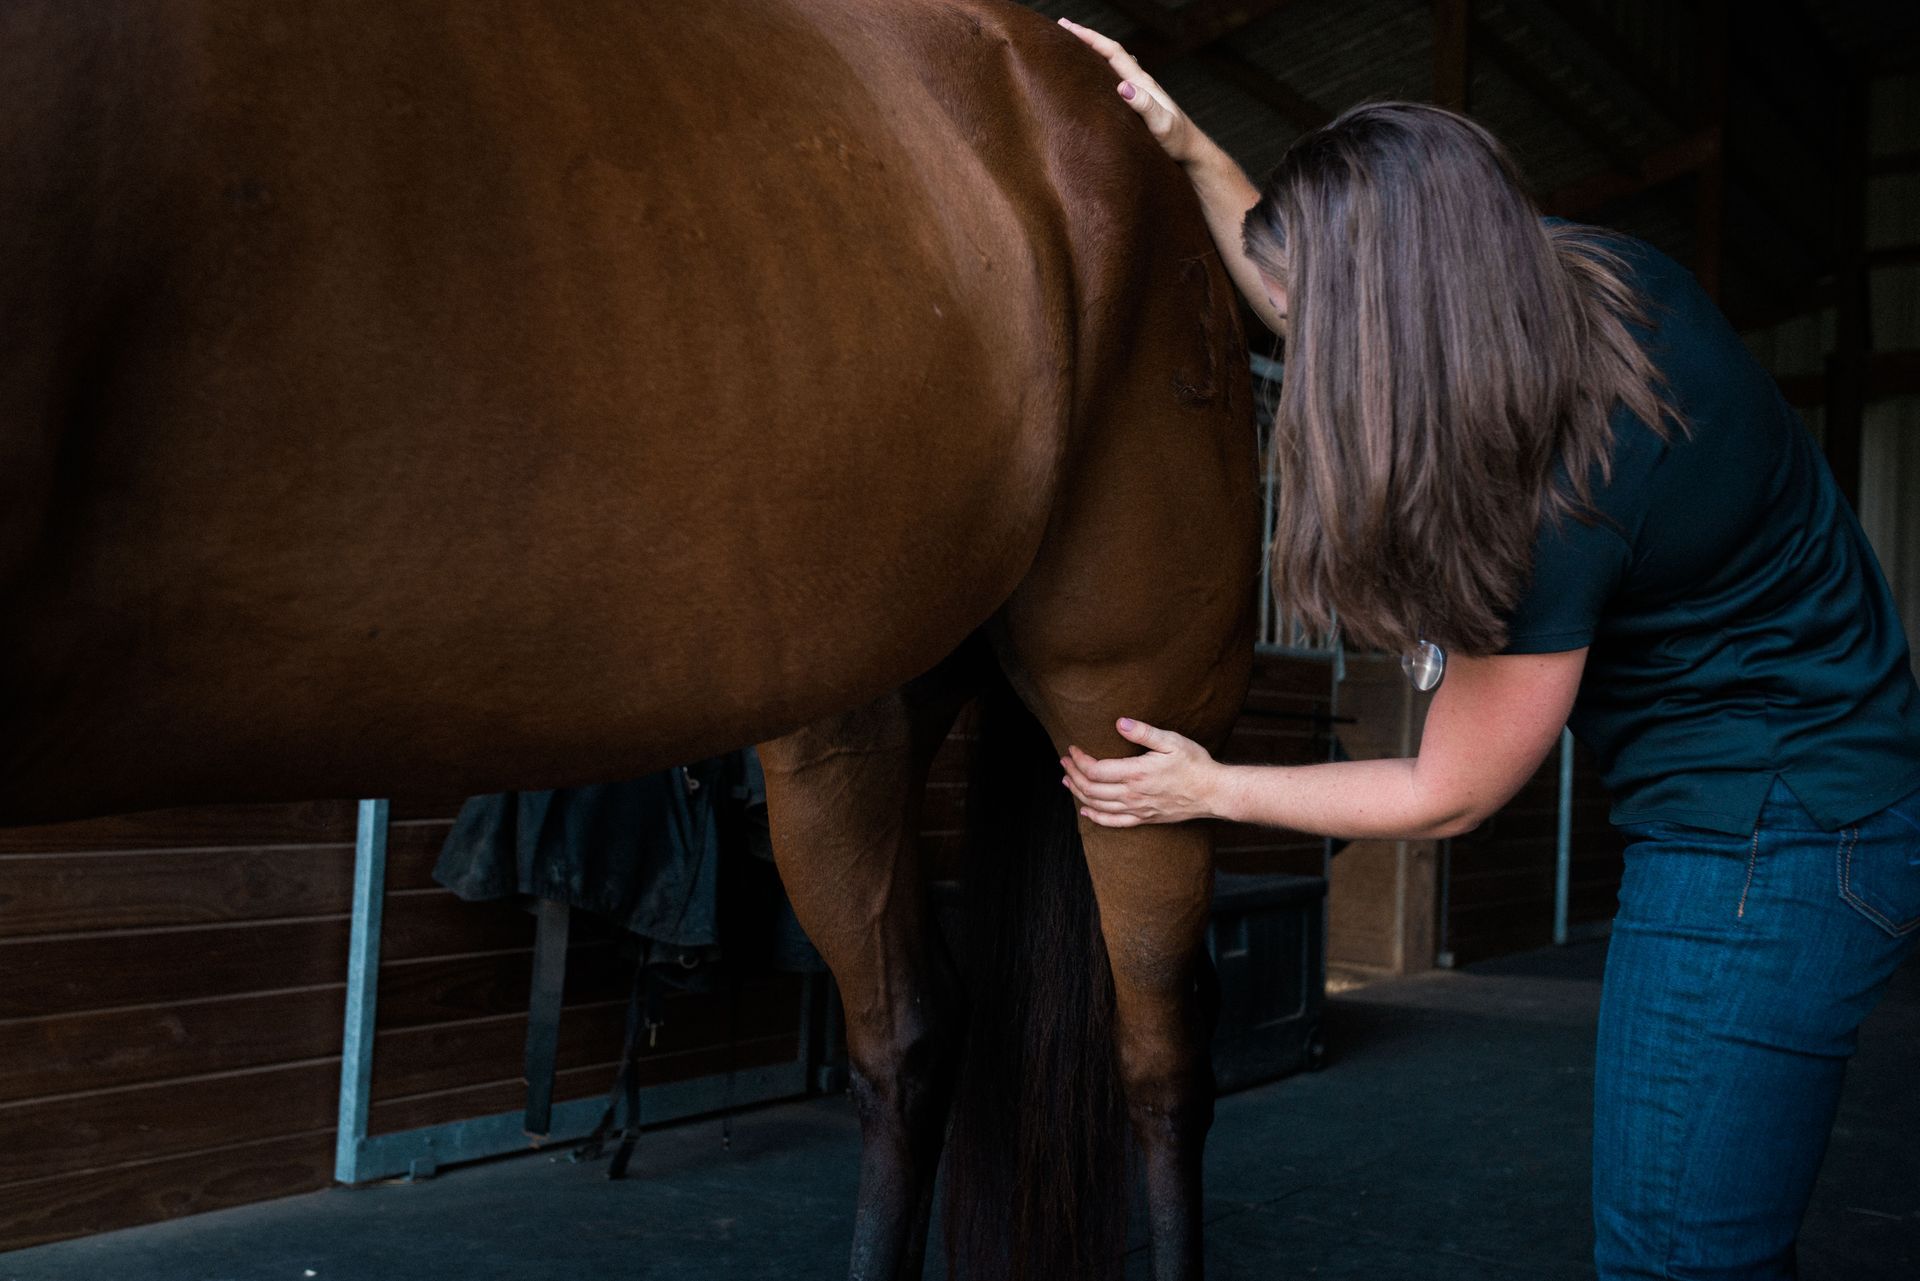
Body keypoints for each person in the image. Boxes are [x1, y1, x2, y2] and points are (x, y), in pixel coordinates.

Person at [1056, 18, 1920, 1281]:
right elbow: (1320, 300)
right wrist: (1189, 148)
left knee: (1676, 1258)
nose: (1307, 334)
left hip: (1771, 841)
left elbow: (1447, 791)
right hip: (1828, 796)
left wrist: (1208, 787)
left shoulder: (1559, 486)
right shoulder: (1591, 284)